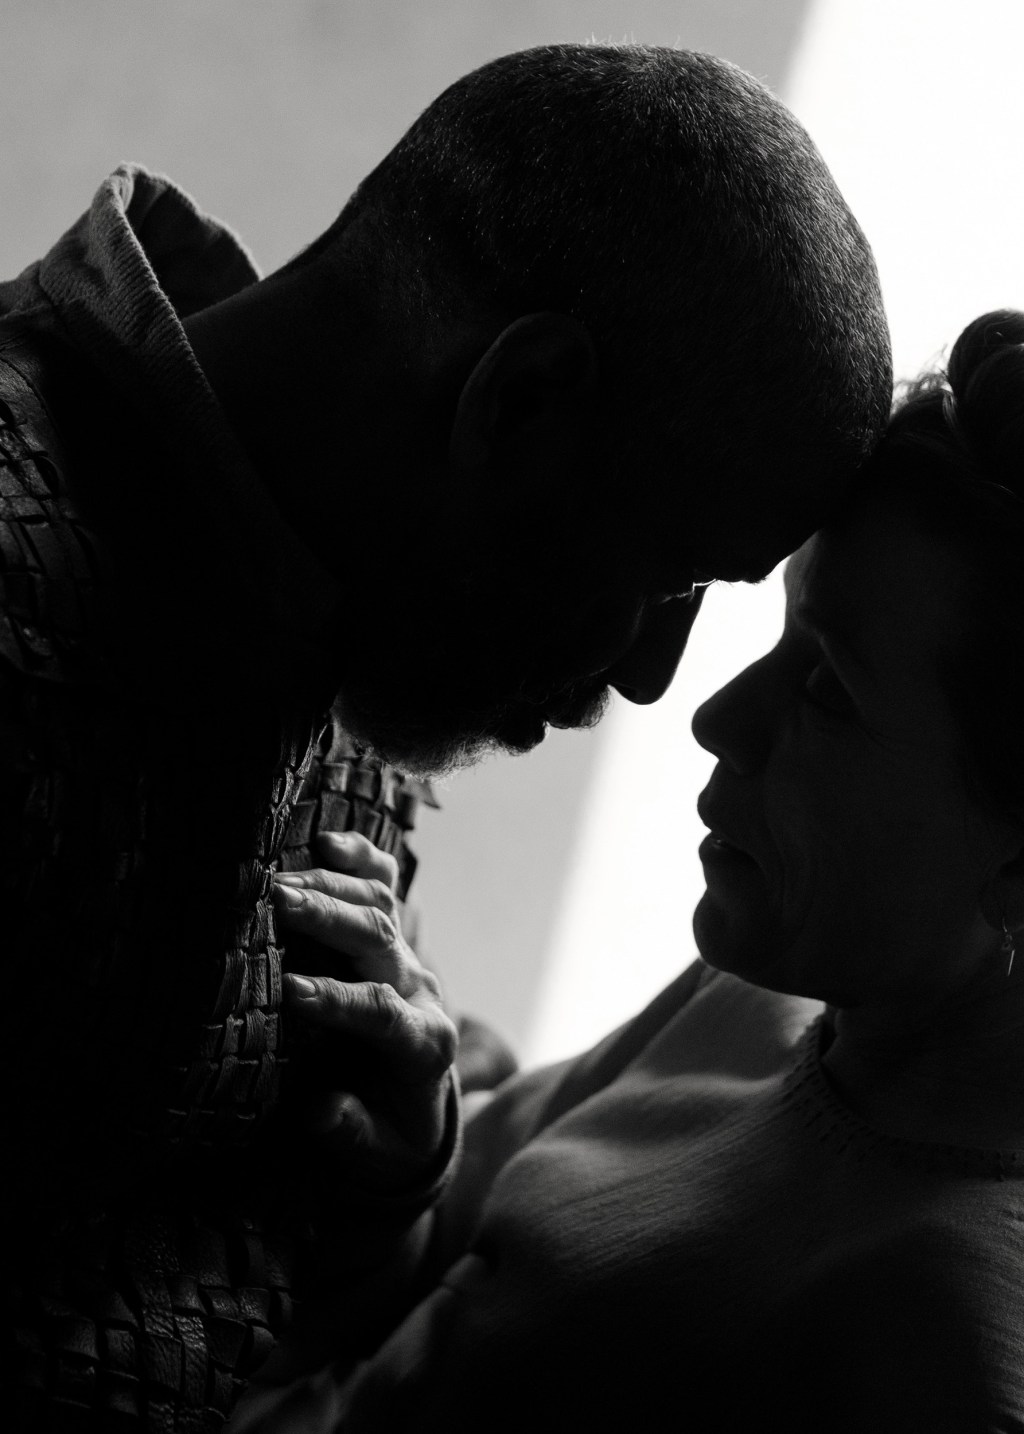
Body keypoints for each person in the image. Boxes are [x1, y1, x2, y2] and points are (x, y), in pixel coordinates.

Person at [3, 43, 890, 1433]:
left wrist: (387, 1174)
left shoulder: (333, 650)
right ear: (518, 400)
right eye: (669, 582)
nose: (659, 684)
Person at [230, 309, 1024, 1433]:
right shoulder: (767, 992)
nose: (714, 716)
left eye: (829, 691)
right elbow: (424, 1297)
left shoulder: (949, 1363)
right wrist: (406, 1148)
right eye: (781, 640)